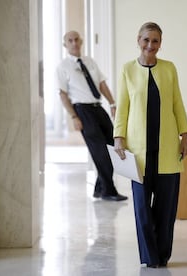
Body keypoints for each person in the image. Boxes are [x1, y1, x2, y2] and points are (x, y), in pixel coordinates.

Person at [113, 22, 187, 268]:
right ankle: (150, 257)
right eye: (146, 40)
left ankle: (163, 255)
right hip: (139, 153)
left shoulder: (169, 69)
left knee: (166, 210)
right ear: (138, 40)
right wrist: (118, 137)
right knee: (142, 209)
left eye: (155, 41)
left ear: (160, 43)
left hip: (167, 150)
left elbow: (177, 103)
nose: (150, 45)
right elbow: (122, 107)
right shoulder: (127, 70)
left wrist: (185, 135)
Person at [56, 30, 127, 201]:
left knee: (113, 145)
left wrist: (112, 103)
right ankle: (108, 191)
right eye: (70, 40)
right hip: (82, 111)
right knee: (100, 152)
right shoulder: (63, 67)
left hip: (98, 108)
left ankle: (99, 188)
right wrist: (74, 117)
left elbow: (101, 84)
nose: (74, 43)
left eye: (76, 39)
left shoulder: (90, 61)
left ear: (81, 41)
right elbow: (63, 94)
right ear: (65, 45)